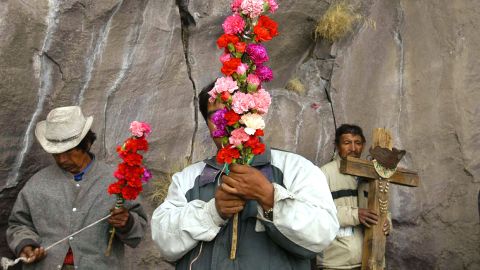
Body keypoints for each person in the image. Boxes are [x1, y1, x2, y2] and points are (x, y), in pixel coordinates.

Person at [151, 83, 339, 270]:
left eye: (235, 111)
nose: (228, 122)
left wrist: (270, 198)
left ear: (253, 114)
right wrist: (211, 213)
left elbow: (322, 235)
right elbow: (164, 241)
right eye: (217, 116)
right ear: (207, 124)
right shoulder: (188, 178)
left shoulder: (296, 168)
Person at [6, 106, 147, 270]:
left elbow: (138, 233)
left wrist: (127, 222)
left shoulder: (117, 181)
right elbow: (18, 224)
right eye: (55, 153)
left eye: (68, 151)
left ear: (86, 144)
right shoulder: (37, 184)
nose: (62, 159)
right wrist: (25, 245)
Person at [315, 124, 391, 270]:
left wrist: (386, 222)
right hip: (337, 263)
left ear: (363, 145)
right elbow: (317, 214)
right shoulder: (324, 174)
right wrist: (355, 214)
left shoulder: (372, 175)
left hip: (372, 261)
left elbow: (383, 208)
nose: (353, 148)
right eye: (347, 143)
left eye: (358, 143)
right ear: (337, 145)